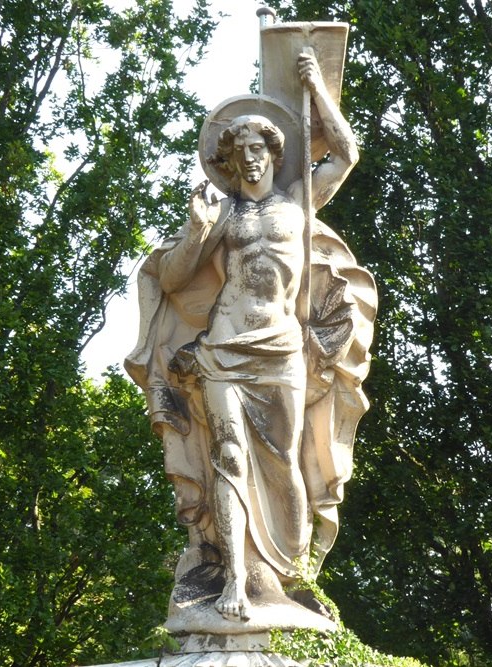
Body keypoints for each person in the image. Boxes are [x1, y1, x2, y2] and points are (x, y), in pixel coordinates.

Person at [126, 52, 376, 629]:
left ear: (274, 153)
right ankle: (235, 580)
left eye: (260, 149)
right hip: (223, 347)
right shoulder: (222, 216)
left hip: (281, 348)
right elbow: (172, 278)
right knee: (229, 455)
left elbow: (346, 154)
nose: (252, 158)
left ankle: (288, 574)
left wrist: (317, 87)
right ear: (230, 160)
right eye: (241, 152)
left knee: (285, 462)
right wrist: (194, 232)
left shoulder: (300, 206)